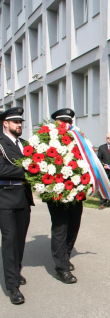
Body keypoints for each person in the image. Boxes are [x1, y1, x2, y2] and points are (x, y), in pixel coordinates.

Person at [0, 107, 34, 304]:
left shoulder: (24, 144)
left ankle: (15, 270)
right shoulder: (1, 143)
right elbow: (2, 168)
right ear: (6, 123)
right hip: (5, 199)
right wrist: (28, 170)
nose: (19, 125)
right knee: (10, 241)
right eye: (15, 122)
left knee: (20, 240)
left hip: (23, 198)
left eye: (21, 122)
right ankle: (12, 286)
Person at [47, 108, 83, 284]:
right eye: (62, 122)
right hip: (57, 193)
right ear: (56, 123)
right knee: (60, 227)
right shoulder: (47, 140)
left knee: (74, 225)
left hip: (76, 191)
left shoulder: (78, 139)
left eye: (68, 122)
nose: (66, 126)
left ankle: (66, 256)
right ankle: (60, 267)